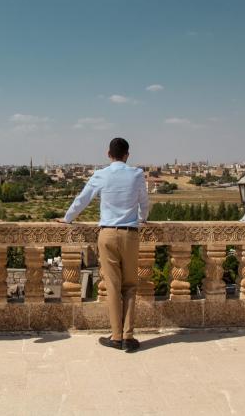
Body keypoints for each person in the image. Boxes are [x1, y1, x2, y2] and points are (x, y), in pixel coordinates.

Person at [58, 137, 149, 353]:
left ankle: (116, 336)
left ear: (109, 154)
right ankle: (128, 336)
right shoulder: (136, 174)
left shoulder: (101, 174)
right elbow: (144, 203)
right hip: (130, 235)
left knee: (113, 287)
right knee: (130, 287)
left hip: (107, 235)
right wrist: (141, 217)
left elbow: (83, 199)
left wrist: (68, 218)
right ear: (127, 154)